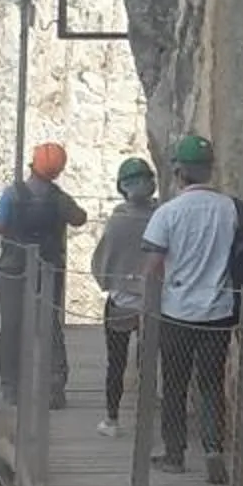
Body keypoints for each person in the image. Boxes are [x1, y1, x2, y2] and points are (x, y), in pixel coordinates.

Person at [140, 132, 240, 484]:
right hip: (220, 311)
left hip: (178, 311)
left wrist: (145, 303)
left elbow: (153, 266)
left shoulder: (168, 213)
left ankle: (175, 453)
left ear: (179, 172)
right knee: (212, 382)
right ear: (210, 169)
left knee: (176, 384)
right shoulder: (231, 208)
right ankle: (213, 448)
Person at [0, 143, 87, 406]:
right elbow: (79, 218)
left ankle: (11, 387)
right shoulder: (60, 199)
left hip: (13, 268)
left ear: (32, 166)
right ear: (58, 172)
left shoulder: (12, 195)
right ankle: (54, 389)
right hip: (48, 269)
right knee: (49, 326)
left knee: (12, 326)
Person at [89, 157, 157, 435]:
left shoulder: (117, 221)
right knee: (148, 362)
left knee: (116, 362)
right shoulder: (161, 216)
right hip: (152, 301)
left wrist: (110, 280)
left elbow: (102, 262)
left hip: (121, 301)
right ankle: (146, 418)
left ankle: (112, 419)